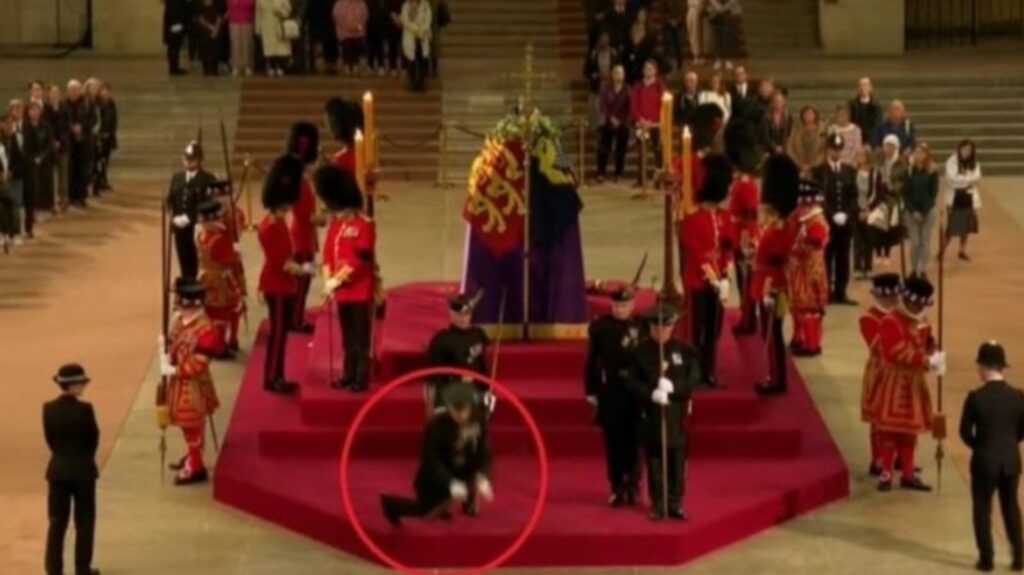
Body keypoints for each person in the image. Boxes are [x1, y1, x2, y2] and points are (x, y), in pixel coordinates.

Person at [868, 275, 943, 492]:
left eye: (921, 304)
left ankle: (908, 474)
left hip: (915, 382)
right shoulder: (890, 321)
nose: (918, 307)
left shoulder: (922, 321)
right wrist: (926, 360)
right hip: (894, 381)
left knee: (910, 431)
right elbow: (896, 352)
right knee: (890, 431)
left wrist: (935, 352)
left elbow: (927, 344)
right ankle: (886, 473)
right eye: (915, 303)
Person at [380, 382, 494, 525]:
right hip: (436, 475)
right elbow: (431, 460)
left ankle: (459, 501)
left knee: (461, 488)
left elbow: (484, 452)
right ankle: (391, 505)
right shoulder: (437, 425)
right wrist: (450, 483)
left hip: (462, 470)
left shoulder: (479, 421)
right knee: (425, 512)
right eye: (455, 411)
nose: (459, 415)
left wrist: (483, 476)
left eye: (463, 410)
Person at [628, 303, 700, 521]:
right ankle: (658, 502)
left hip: (676, 414)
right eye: (656, 327)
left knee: (676, 460)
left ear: (672, 327)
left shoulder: (684, 351)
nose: (661, 331)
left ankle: (675, 501)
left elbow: (694, 378)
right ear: (650, 328)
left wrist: (674, 387)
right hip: (651, 414)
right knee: (655, 461)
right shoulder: (640, 353)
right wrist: (651, 393)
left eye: (666, 327)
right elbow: (631, 382)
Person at [960, 341, 1024, 573]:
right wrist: (1009, 443)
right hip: (1011, 460)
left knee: (982, 508)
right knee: (1011, 507)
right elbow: (1022, 430)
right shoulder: (1018, 396)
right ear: (1002, 367)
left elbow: (964, 432)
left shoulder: (976, 397)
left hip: (984, 462)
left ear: (984, 367)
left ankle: (986, 559)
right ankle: (1019, 557)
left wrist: (981, 446)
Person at [156, 280, 225, 485]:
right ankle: (194, 455)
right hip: (179, 383)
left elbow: (199, 363)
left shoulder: (206, 330)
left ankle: (195, 464)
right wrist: (167, 352)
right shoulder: (181, 321)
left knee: (192, 423)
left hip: (193, 384)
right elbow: (175, 343)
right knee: (187, 424)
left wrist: (174, 369)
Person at [316, 163, 376, 392]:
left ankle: (361, 376)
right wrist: (328, 282)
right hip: (342, 291)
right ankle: (348, 373)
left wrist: (337, 280)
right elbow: (328, 254)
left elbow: (361, 260)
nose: (336, 214)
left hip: (359, 290)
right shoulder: (336, 224)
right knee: (347, 336)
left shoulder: (365, 226)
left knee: (361, 337)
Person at [680, 154, 735, 388]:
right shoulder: (692, 219)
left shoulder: (724, 217)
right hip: (698, 282)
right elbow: (696, 254)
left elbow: (728, 247)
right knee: (697, 329)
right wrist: (714, 279)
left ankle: (709, 371)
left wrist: (726, 277)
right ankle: (694, 371)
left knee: (714, 330)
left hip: (718, 281)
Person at [585, 287, 642, 507]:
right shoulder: (602, 327)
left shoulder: (640, 326)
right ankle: (617, 486)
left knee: (634, 441)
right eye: (617, 306)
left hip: (635, 390)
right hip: (611, 390)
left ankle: (633, 485)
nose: (620, 310)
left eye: (624, 306)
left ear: (632, 306)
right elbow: (592, 361)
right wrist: (590, 390)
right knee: (614, 441)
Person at [258, 155, 309, 395]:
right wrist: (305, 269)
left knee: (281, 333)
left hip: (279, 283)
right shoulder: (272, 228)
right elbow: (283, 263)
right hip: (277, 285)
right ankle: (272, 378)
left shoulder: (274, 223)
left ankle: (277, 375)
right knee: (278, 334)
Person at [43, 364, 101, 575]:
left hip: (57, 470)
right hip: (83, 471)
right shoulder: (85, 409)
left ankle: (54, 568)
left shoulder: (48, 408)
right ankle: (82, 567)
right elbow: (93, 438)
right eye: (82, 383)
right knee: (84, 521)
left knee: (57, 521)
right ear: (73, 385)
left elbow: (50, 439)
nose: (84, 386)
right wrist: (83, 458)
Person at [753, 155, 797, 396]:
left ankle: (776, 379)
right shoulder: (778, 224)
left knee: (772, 334)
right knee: (771, 334)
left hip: (771, 285)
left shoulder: (781, 228)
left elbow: (777, 259)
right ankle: (775, 376)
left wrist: (770, 289)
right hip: (768, 281)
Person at [858, 273, 901, 476]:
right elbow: (881, 346)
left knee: (901, 418)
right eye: (890, 296)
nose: (894, 300)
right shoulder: (869, 318)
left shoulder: (903, 315)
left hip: (902, 374)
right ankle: (878, 460)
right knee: (879, 419)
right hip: (881, 374)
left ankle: (899, 458)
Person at [196, 199, 246, 357]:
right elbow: (229, 260)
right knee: (225, 312)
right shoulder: (220, 239)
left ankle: (217, 343)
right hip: (221, 279)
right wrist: (237, 255)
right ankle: (221, 346)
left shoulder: (201, 235)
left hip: (205, 277)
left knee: (212, 312)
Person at [813, 133, 858, 305]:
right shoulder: (819, 172)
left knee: (843, 257)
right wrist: (832, 214)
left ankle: (841, 291)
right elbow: (819, 196)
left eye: (839, 149)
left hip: (845, 222)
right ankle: (826, 291)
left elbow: (853, 196)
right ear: (828, 150)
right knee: (827, 257)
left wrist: (846, 213)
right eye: (833, 149)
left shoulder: (849, 171)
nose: (836, 153)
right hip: (827, 221)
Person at [725, 118, 761, 336]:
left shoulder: (745, 184)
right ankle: (747, 317)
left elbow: (748, 214)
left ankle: (748, 320)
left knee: (746, 281)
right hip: (743, 232)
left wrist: (742, 240)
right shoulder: (744, 181)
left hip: (745, 236)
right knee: (744, 281)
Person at [284, 122, 320, 336]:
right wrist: (321, 218)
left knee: (303, 280)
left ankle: (296, 316)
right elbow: (305, 215)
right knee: (302, 281)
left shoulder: (299, 178)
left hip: (304, 234)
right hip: (302, 236)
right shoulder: (301, 182)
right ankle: (295, 319)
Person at [787, 179, 829, 356]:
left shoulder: (816, 222)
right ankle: (800, 337)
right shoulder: (801, 219)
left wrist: (793, 249)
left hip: (810, 271)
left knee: (809, 306)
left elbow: (812, 246)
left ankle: (812, 344)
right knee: (797, 306)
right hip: (799, 270)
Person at [167, 140, 217, 280]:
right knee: (183, 258)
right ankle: (186, 282)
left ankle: (195, 283)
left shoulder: (207, 179)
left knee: (196, 260)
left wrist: (190, 218)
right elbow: (171, 200)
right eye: (186, 159)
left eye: (192, 160)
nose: (188, 163)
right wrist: (173, 216)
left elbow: (208, 204)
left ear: (199, 160)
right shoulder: (177, 178)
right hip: (180, 227)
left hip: (197, 228)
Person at [903, 143, 938, 278]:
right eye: (916, 152)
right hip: (911, 211)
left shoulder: (932, 172)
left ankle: (923, 269)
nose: (918, 155)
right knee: (915, 242)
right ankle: (913, 268)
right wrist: (913, 211)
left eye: (921, 153)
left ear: (927, 155)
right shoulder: (909, 171)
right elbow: (905, 194)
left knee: (924, 241)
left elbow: (933, 194)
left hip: (928, 211)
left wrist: (923, 212)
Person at [943, 138, 982, 263]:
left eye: (969, 150)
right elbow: (952, 179)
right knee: (951, 227)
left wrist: (963, 180)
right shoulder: (952, 161)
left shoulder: (974, 163)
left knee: (966, 226)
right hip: (955, 197)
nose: (966, 152)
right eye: (964, 149)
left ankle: (962, 250)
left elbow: (977, 177)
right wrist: (967, 181)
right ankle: (942, 250)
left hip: (969, 197)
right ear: (959, 149)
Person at [629, 59, 664, 185]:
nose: (648, 70)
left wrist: (654, 121)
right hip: (641, 124)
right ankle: (641, 179)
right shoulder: (638, 86)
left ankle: (658, 179)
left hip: (655, 124)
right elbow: (634, 105)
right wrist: (641, 120)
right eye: (646, 68)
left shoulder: (660, 86)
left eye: (650, 68)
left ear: (655, 71)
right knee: (641, 153)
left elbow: (663, 104)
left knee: (658, 152)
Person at [22, 101, 54, 240]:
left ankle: (31, 222)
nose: (34, 112)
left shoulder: (46, 126)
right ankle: (25, 225)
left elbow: (49, 144)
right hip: (26, 165)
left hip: (43, 163)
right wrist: (32, 159)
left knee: (37, 192)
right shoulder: (24, 127)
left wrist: (41, 157)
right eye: (32, 110)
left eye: (36, 110)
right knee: (27, 194)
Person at [596, 65, 630, 184]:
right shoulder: (606, 89)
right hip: (608, 122)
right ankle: (601, 173)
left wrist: (620, 120)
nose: (618, 76)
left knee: (621, 150)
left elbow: (629, 107)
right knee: (603, 149)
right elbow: (603, 105)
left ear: (624, 75)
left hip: (623, 123)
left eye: (620, 73)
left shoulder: (627, 89)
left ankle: (618, 174)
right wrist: (611, 118)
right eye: (616, 73)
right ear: (612, 74)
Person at [876, 134, 906, 264]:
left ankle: (887, 254)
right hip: (879, 195)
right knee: (877, 225)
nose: (887, 149)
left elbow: (904, 180)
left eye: (890, 146)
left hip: (892, 197)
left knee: (888, 227)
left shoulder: (901, 163)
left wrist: (893, 186)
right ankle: (878, 252)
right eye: (886, 146)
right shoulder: (879, 161)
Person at [66, 80, 94, 208]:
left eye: (76, 89)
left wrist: (82, 127)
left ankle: (81, 196)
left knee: (83, 169)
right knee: (71, 169)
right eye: (71, 90)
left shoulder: (87, 104)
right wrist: (71, 127)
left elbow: (92, 119)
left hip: (84, 141)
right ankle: (71, 196)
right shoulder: (64, 104)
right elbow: (62, 120)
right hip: (70, 141)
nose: (73, 92)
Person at [584, 31, 619, 132]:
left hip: (611, 85)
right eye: (602, 38)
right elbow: (586, 71)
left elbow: (618, 68)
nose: (604, 41)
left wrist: (612, 75)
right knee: (597, 108)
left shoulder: (613, 53)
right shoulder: (593, 54)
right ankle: (598, 128)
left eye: (606, 38)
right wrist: (596, 75)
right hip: (597, 87)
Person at [1, 114, 26, 244]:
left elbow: (23, 160)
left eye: (11, 123)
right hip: (1, 179)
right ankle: (4, 233)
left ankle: (16, 233)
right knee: (2, 208)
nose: (9, 126)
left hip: (16, 177)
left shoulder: (19, 139)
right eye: (6, 123)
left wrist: (12, 172)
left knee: (16, 206)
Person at [46, 85, 70, 214]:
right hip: (49, 147)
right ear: (49, 95)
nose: (55, 95)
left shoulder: (64, 109)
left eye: (57, 92)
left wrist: (61, 141)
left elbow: (66, 127)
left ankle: (63, 198)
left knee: (63, 174)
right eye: (53, 93)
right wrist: (52, 141)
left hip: (63, 146)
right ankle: (51, 200)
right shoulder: (45, 109)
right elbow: (46, 127)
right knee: (50, 175)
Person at [401, 0, 432, 91]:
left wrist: (423, 29)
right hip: (410, 36)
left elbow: (428, 19)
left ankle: (421, 83)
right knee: (411, 60)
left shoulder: (425, 5)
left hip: (422, 36)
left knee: (423, 60)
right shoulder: (406, 6)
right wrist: (415, 30)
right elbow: (405, 20)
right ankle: (413, 83)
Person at [256, 0, 293, 77]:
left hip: (278, 26)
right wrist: (258, 28)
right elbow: (258, 14)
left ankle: (279, 66)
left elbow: (288, 10)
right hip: (266, 26)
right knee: (269, 49)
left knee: (280, 48)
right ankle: (271, 66)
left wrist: (280, 11)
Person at [786, 105, 823, 177]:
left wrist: (811, 165)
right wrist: (799, 164)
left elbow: (823, 151)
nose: (808, 116)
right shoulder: (797, 129)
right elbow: (790, 148)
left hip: (816, 168)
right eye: (806, 114)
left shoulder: (821, 130)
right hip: (798, 166)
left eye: (810, 114)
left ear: (815, 115)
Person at [334, 0, 368, 76]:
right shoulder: (339, 4)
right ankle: (346, 66)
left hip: (358, 31)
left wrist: (357, 27)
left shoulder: (361, 4)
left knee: (356, 47)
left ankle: (355, 65)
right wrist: (346, 27)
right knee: (346, 47)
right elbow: (337, 17)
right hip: (344, 32)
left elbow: (364, 17)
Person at [705, 0, 741, 70]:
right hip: (715, 12)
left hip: (729, 12)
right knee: (717, 36)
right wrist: (717, 7)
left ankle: (728, 59)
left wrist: (725, 7)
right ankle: (718, 59)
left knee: (728, 36)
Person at [94, 84, 118, 193]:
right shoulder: (97, 104)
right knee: (99, 161)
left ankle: (104, 180)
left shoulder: (112, 104)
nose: (105, 93)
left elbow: (114, 120)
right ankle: (98, 182)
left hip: (109, 137)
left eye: (107, 91)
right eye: (103, 91)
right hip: (100, 137)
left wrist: (111, 132)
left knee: (106, 160)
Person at [849, 77, 881, 147]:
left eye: (865, 85)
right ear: (857, 89)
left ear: (870, 88)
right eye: (861, 85)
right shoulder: (852, 105)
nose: (863, 88)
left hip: (871, 142)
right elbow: (850, 123)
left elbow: (877, 125)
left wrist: (870, 142)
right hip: (854, 140)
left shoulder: (876, 106)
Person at [196, 0, 225, 75]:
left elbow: (219, 17)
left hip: (215, 30)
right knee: (204, 47)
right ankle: (206, 68)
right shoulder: (200, 6)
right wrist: (211, 28)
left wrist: (216, 29)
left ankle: (214, 68)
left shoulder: (217, 5)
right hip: (204, 30)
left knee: (215, 47)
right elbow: (200, 19)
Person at [228, 0, 256, 76]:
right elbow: (230, 4)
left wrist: (239, 3)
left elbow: (251, 3)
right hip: (234, 21)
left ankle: (247, 66)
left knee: (246, 44)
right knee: (235, 44)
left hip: (247, 20)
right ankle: (236, 66)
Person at [622, 21, 654, 85]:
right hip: (629, 78)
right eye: (634, 32)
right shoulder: (627, 47)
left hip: (642, 78)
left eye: (639, 32)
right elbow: (624, 62)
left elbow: (647, 62)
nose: (636, 34)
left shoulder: (647, 48)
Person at [761, 91, 791, 157]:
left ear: (784, 102)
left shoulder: (788, 118)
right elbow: (765, 135)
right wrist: (774, 147)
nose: (778, 103)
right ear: (772, 102)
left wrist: (784, 147)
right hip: (768, 149)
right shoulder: (766, 117)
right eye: (776, 101)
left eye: (780, 101)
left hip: (784, 149)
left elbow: (789, 135)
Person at [164, 0, 190, 75]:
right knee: (174, 45)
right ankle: (174, 68)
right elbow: (178, 12)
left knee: (175, 46)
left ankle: (174, 67)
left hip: (175, 25)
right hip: (175, 25)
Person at [365, 0, 389, 75]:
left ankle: (381, 66)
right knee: (370, 48)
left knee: (380, 48)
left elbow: (386, 13)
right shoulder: (368, 2)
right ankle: (370, 66)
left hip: (381, 27)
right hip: (370, 27)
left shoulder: (384, 2)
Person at [383, 0, 404, 76]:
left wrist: (401, 19)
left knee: (404, 47)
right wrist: (394, 18)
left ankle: (404, 68)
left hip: (404, 23)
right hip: (390, 25)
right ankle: (393, 67)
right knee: (392, 47)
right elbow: (386, 9)